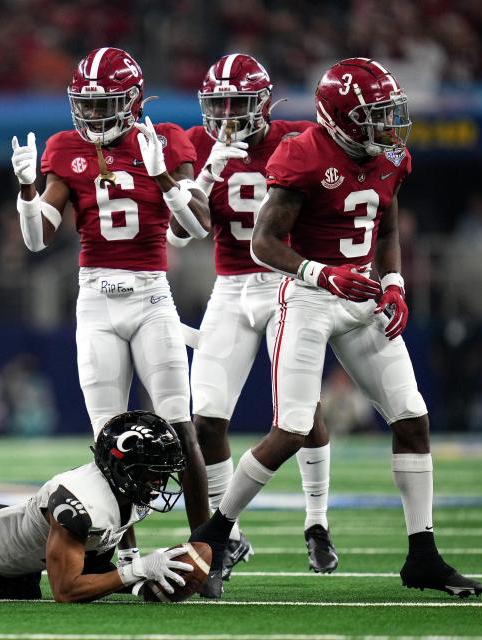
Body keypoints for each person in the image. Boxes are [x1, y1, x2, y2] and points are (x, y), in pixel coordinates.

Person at [190, 58, 482, 598]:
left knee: (412, 418)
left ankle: (423, 555)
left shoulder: (391, 155)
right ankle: (214, 537)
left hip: (363, 295)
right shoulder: (303, 152)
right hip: (308, 296)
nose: (389, 125)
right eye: (375, 114)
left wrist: (393, 280)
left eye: (388, 112)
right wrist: (321, 273)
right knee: (291, 430)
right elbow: (262, 242)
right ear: (343, 118)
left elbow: (387, 218)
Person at [10, 47, 212, 536]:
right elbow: (39, 239)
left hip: (150, 296)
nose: (95, 115)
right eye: (87, 104)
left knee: (179, 424)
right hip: (95, 297)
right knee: (107, 437)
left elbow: (199, 225)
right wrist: (27, 190)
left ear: (134, 99)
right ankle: (121, 551)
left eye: (105, 104)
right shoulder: (65, 147)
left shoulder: (165, 139)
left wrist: (161, 173)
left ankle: (208, 547)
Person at [182, 54, 336, 581]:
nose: (227, 114)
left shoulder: (299, 138)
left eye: (238, 103)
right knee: (206, 419)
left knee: (299, 410)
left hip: (288, 284)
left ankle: (316, 520)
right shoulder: (200, 146)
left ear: (266, 103)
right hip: (229, 287)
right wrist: (207, 174)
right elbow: (185, 232)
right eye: (218, 104)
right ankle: (231, 537)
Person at [0, 411, 197, 602]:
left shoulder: (130, 490)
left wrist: (132, 564)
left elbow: (115, 528)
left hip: (21, 565)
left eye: (162, 474)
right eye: (152, 473)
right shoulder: (79, 503)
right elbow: (66, 590)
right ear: (122, 467)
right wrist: (135, 572)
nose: (158, 483)